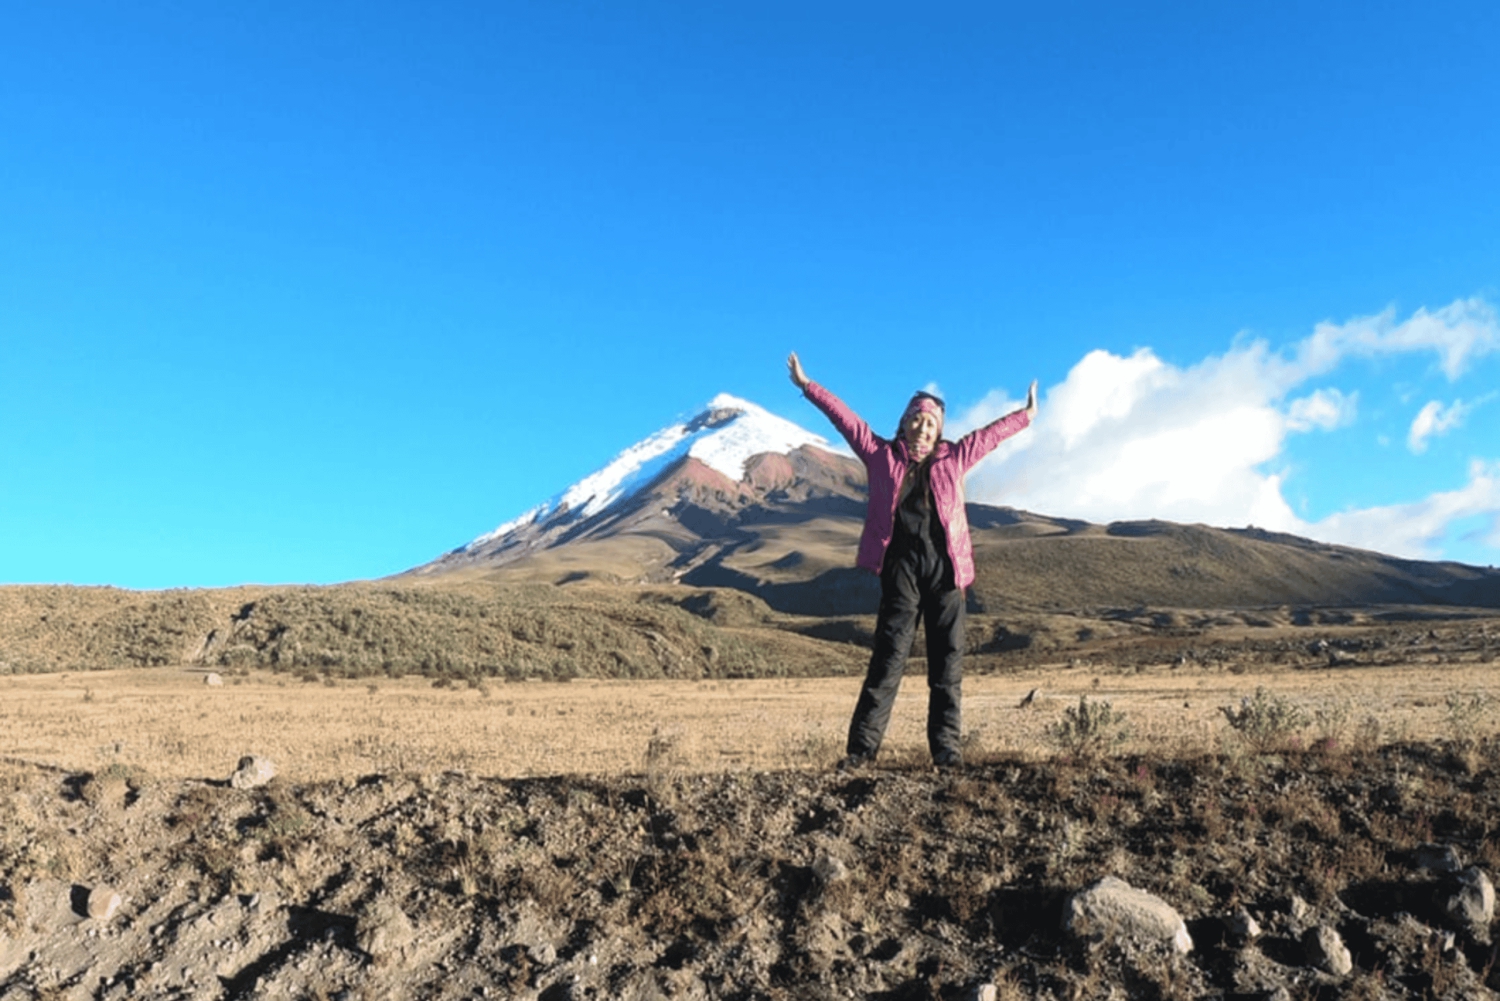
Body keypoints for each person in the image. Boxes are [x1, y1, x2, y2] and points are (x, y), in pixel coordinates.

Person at [787, 352, 1037, 771]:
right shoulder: (879, 455)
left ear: (939, 432)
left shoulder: (955, 457)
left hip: (946, 573)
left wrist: (1026, 415)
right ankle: (861, 753)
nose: (923, 428)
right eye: (916, 420)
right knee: (887, 661)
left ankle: (946, 753)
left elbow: (991, 435)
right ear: (904, 423)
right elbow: (845, 419)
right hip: (900, 571)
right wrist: (808, 386)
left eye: (931, 423)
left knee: (947, 663)